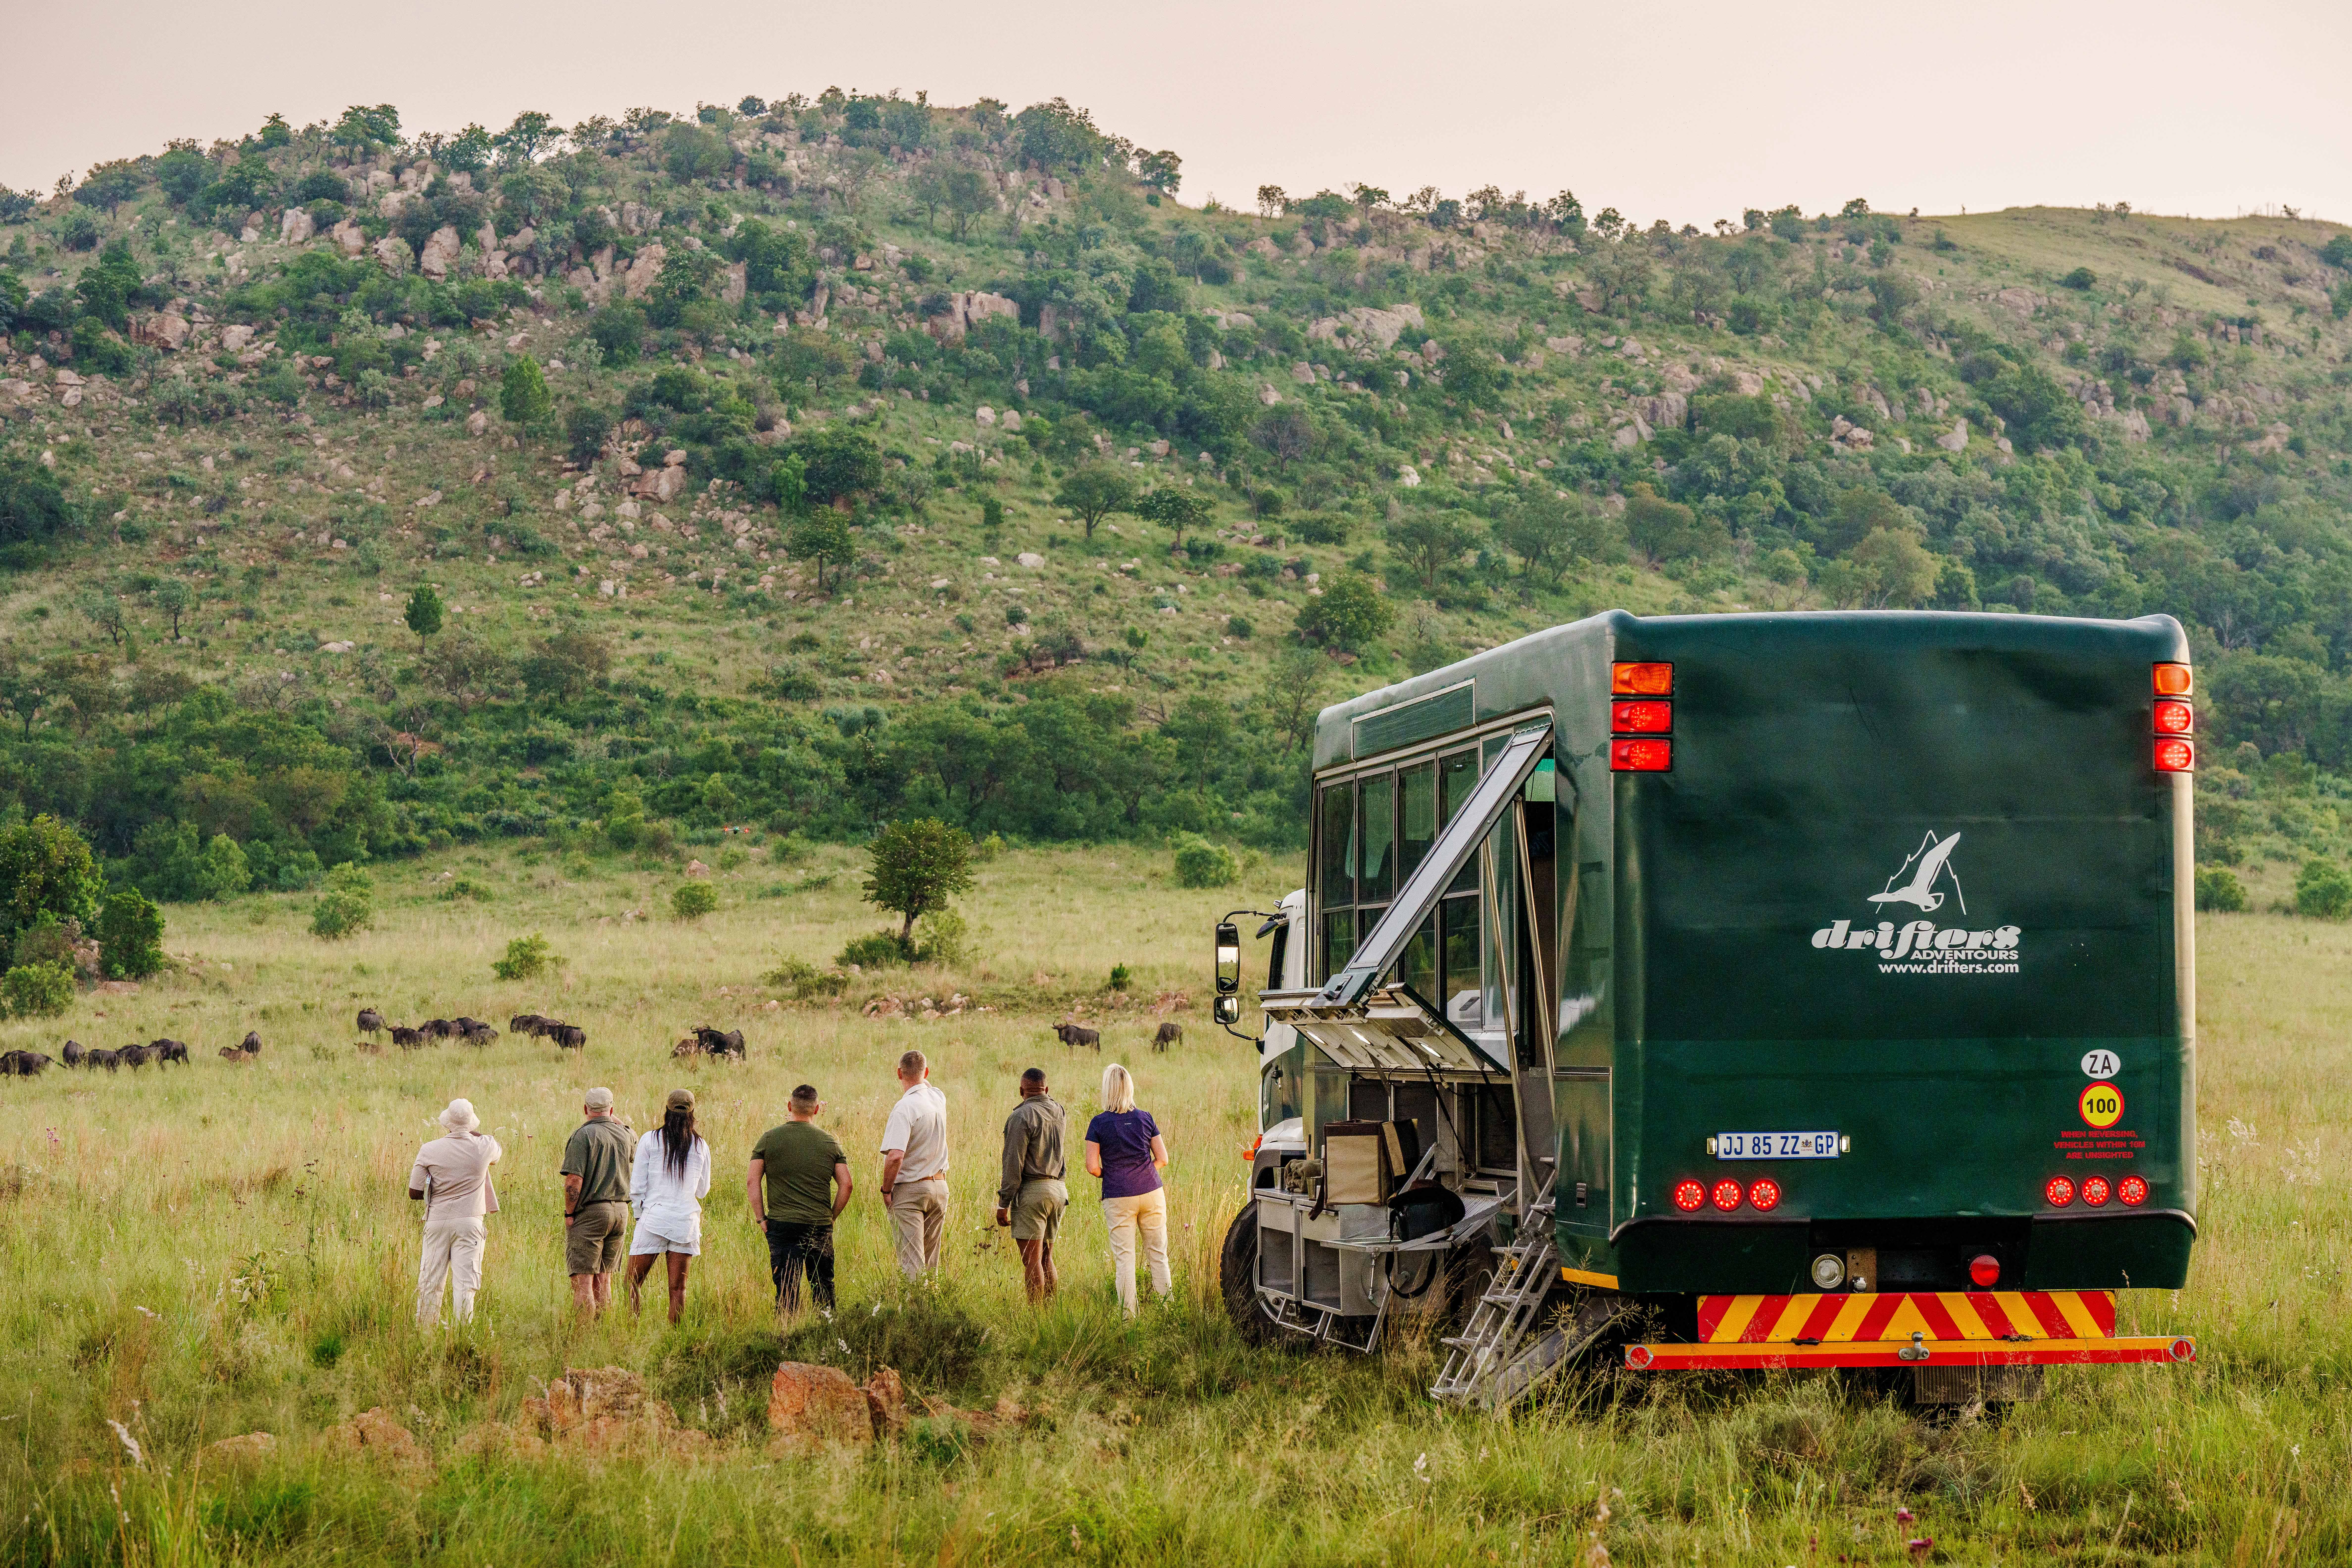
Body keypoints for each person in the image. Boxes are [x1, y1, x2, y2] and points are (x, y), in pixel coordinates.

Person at [748, 1083, 852, 1314]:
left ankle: (785, 1339)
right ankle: (825, 1337)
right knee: (824, 1288)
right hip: (819, 1225)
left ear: (789, 1106)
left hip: (782, 1225)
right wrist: (831, 1217)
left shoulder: (769, 1139)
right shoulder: (830, 1142)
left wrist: (761, 1218)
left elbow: (752, 1181)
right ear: (817, 1110)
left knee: (786, 1290)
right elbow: (847, 1184)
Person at [408, 1098, 503, 1328]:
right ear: (471, 1122)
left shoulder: (429, 1149)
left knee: (430, 1281)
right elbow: (497, 1154)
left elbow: (414, 1192)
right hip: (471, 1222)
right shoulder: (485, 1146)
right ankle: (463, 1335)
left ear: (448, 1123)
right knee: (465, 1284)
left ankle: (426, 1333)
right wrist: (474, 1134)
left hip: (437, 1221)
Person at [1085, 1064, 1171, 1317]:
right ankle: (1169, 1312)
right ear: (1130, 1087)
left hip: (1118, 1196)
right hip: (1151, 1192)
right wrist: (1144, 1172)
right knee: (1158, 1255)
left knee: (1125, 1260)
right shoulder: (1146, 1118)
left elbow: (1092, 1167)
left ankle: (1129, 1319)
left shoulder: (1098, 1124)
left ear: (1107, 1089)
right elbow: (1163, 1158)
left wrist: (1112, 1175)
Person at [627, 1088, 711, 1323]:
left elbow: (637, 1186)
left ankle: (632, 1332)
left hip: (654, 1219)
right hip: (686, 1224)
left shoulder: (650, 1139)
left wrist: (639, 1215)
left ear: (667, 1109)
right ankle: (676, 1340)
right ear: (692, 1113)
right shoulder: (701, 1146)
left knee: (632, 1283)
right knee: (678, 1291)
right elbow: (703, 1191)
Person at [559, 1087, 633, 1317]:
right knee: (605, 1280)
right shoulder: (626, 1135)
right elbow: (632, 1139)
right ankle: (605, 1333)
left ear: (585, 1109)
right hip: (621, 1212)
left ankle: (584, 1338)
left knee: (583, 1283)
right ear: (612, 1110)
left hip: (592, 1213)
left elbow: (574, 1181)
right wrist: (612, 1118)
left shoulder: (583, 1136)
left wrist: (569, 1214)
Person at [995, 1067, 1066, 1304]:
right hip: (1058, 1190)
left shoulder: (1021, 1117)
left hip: (1033, 1193)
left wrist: (1003, 1203)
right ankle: (1050, 1314)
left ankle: (1037, 1318)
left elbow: (1013, 1165)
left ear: (1021, 1091)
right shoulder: (1059, 1110)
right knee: (1047, 1258)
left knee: (1032, 1260)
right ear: (1046, 1089)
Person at [878, 1049, 950, 1279]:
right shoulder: (938, 1098)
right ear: (926, 1072)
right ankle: (933, 1311)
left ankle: (915, 1314)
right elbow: (927, 1085)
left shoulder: (904, 1108)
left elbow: (896, 1156)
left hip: (911, 1190)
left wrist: (887, 1190)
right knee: (931, 1266)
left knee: (912, 1264)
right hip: (940, 1187)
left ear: (899, 1073)